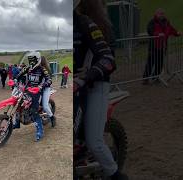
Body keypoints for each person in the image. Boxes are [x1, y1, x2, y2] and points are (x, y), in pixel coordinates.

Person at [74, 0, 128, 179]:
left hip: (97, 84)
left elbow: (108, 59)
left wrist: (87, 75)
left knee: (94, 141)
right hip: (77, 87)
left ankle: (115, 174)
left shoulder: (90, 24)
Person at [13, 51, 51, 141]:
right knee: (18, 104)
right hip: (27, 89)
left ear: (37, 60)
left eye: (33, 60)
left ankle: (40, 131)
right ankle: (17, 123)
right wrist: (14, 79)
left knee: (34, 110)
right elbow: (19, 74)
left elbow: (49, 80)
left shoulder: (42, 69)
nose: (31, 62)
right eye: (30, 60)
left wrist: (41, 86)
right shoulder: (28, 68)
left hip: (37, 91)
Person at [143, 8, 181, 84]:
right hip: (154, 46)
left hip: (162, 46)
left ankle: (156, 77)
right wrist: (157, 34)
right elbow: (150, 30)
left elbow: (171, 29)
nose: (162, 15)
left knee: (159, 63)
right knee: (150, 62)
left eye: (163, 13)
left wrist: (177, 33)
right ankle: (145, 79)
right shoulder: (152, 21)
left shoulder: (166, 22)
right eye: (160, 13)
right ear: (156, 14)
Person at [40, 56, 55, 127]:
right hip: (37, 89)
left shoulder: (47, 70)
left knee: (45, 106)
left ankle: (52, 118)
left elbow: (49, 81)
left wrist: (42, 85)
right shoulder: (36, 69)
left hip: (45, 89)